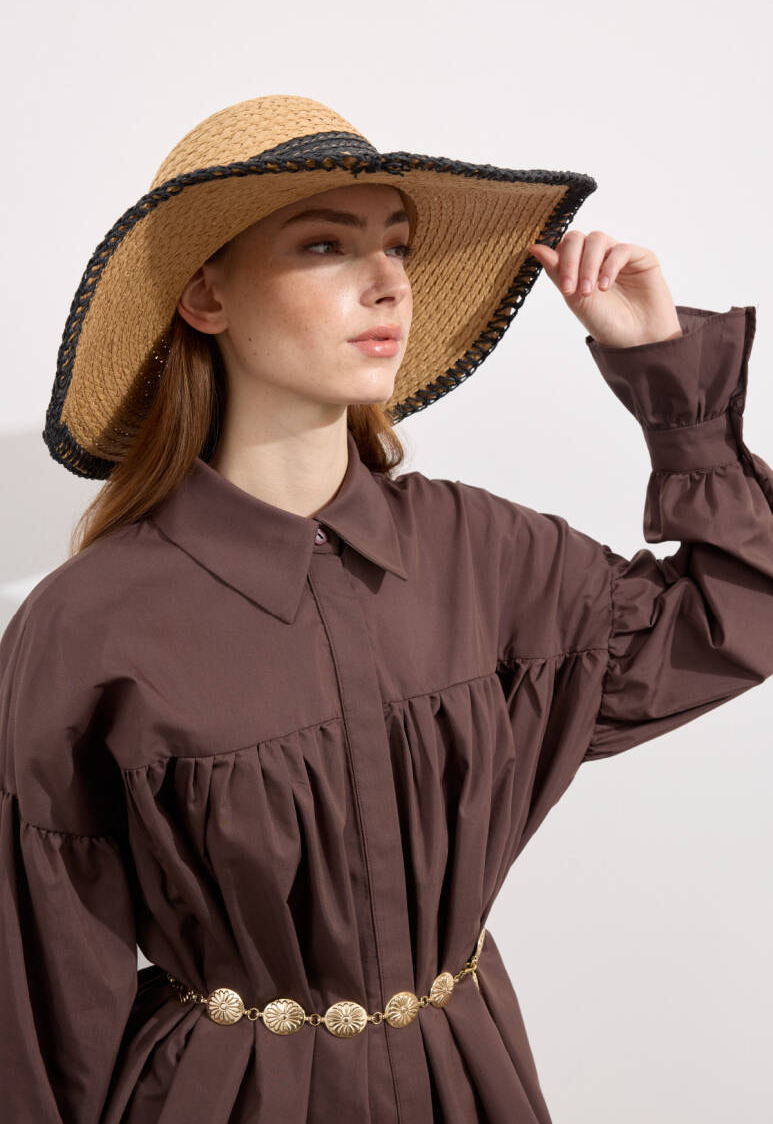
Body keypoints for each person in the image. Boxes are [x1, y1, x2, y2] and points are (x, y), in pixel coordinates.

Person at [1, 94, 771, 1123]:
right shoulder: (88, 625)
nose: (387, 282)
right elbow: (41, 991)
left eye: (397, 245)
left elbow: (738, 610)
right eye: (325, 244)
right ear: (205, 296)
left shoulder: (482, 552)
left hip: (468, 1083)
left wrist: (663, 374)